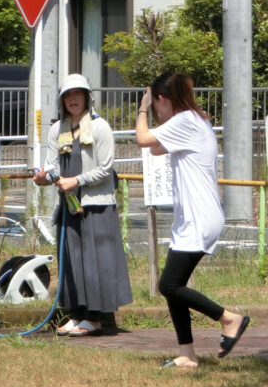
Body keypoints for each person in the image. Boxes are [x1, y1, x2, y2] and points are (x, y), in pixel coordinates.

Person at [135, 72, 250, 368]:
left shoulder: (186, 121)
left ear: (162, 99)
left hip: (199, 218)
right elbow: (156, 148)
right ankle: (187, 354)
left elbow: (143, 139)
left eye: (156, 103)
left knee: (169, 285)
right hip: (193, 219)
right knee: (174, 287)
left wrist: (143, 108)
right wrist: (157, 113)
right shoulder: (193, 121)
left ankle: (229, 319)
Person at [33, 73, 132, 336]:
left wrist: (76, 180)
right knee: (72, 261)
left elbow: (106, 168)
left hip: (96, 205)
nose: (73, 99)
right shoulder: (57, 129)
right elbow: (52, 166)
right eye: (68, 95)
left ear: (87, 97)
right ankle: (76, 315)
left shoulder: (100, 127)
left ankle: (94, 318)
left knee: (95, 262)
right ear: (62, 101)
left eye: (78, 94)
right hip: (69, 205)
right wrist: (44, 178)